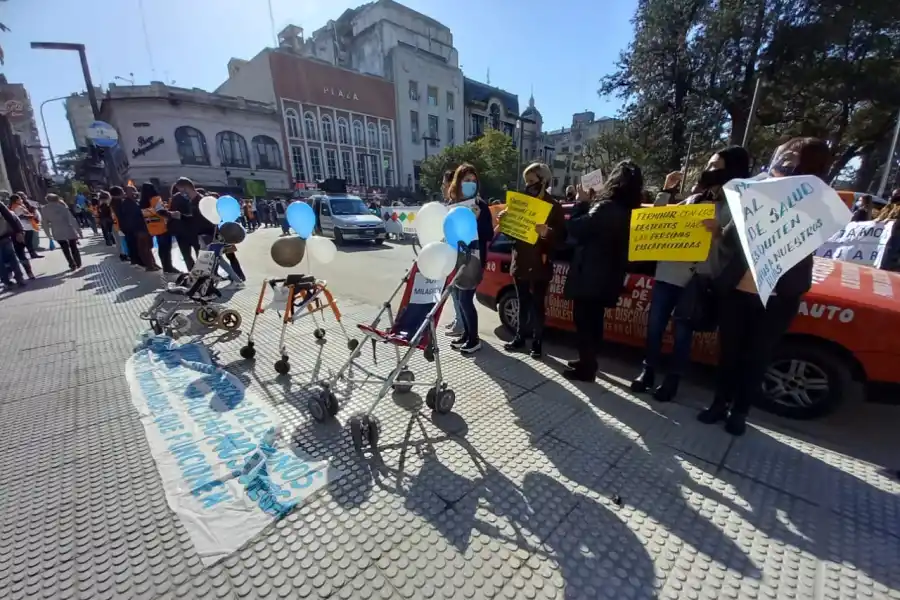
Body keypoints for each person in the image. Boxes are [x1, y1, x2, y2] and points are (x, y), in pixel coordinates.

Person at [697, 137, 828, 436]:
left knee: (757, 357)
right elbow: (731, 240)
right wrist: (724, 229)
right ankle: (719, 404)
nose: (784, 162)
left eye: (794, 158)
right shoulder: (757, 192)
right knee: (728, 353)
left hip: (778, 297)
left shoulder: (819, 204)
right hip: (738, 290)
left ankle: (740, 413)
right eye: (784, 156)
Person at [632, 147, 751, 402]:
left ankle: (672, 380)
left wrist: (720, 232)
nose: (709, 170)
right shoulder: (696, 198)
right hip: (668, 273)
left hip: (696, 279)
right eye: (709, 164)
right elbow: (657, 220)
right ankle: (648, 371)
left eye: (716, 166)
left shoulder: (737, 205)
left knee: (682, 334)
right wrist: (667, 189)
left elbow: (738, 246)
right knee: (654, 328)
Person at [562, 160, 643, 381]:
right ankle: (587, 361)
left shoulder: (606, 207)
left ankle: (587, 368)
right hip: (608, 277)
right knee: (595, 322)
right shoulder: (631, 211)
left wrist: (581, 203)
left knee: (585, 323)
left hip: (590, 275)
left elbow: (578, 228)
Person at [501, 162, 566, 358]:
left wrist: (547, 232)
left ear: (543, 180)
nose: (528, 185)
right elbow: (511, 235)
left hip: (540, 263)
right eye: (526, 182)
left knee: (538, 304)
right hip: (520, 261)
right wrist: (505, 221)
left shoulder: (554, 206)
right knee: (522, 302)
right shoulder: (520, 203)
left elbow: (562, 238)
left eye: (532, 181)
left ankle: (537, 342)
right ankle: (520, 337)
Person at [447, 163, 493, 354]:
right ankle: (466, 334)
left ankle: (474, 339)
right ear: (458, 182)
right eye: (467, 180)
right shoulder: (453, 205)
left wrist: (477, 219)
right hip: (456, 257)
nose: (471, 184)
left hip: (474, 259)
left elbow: (488, 234)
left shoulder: (480, 205)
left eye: (474, 181)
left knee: (466, 299)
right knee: (459, 297)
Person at [439, 169, 466, 338]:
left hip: (459, 254)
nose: (443, 187)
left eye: (444, 183)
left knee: (458, 291)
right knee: (454, 290)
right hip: (450, 253)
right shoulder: (449, 202)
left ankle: (461, 324)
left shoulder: (458, 204)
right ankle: (459, 319)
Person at [116, 185, 158, 271]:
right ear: (127, 193)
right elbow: (130, 218)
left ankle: (152, 263)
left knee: (147, 247)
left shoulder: (135, 202)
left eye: (135, 190)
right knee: (144, 248)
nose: (135, 192)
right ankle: (149, 265)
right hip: (138, 229)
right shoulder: (127, 204)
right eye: (132, 191)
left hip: (143, 228)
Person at [139, 182, 177, 274]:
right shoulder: (156, 199)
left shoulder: (142, 203)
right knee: (166, 249)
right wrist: (171, 215)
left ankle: (165, 266)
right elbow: (160, 211)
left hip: (152, 229)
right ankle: (169, 267)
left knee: (161, 248)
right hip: (163, 227)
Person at [42, 193, 84, 271]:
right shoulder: (62, 206)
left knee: (64, 248)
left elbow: (44, 222)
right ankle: (78, 262)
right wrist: (79, 232)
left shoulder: (45, 209)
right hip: (68, 228)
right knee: (73, 246)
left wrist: (48, 234)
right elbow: (72, 220)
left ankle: (71, 264)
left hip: (56, 230)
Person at [169, 178, 200, 270]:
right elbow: (172, 213)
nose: (180, 191)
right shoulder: (176, 198)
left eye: (180, 189)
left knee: (197, 254)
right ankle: (194, 274)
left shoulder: (196, 197)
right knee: (188, 255)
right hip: (183, 231)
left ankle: (199, 273)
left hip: (193, 231)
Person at [0, 199, 26, 288]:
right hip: (4, 235)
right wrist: (18, 232)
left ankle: (6, 282)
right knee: (12, 257)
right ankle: (19, 278)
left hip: (4, 236)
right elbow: (9, 216)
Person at [9, 194, 43, 259]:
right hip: (25, 226)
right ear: (16, 200)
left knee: (26, 241)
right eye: (19, 199)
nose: (21, 200)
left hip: (24, 226)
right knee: (28, 241)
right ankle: (32, 254)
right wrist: (30, 216)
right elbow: (19, 216)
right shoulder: (17, 207)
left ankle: (30, 254)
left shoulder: (15, 206)